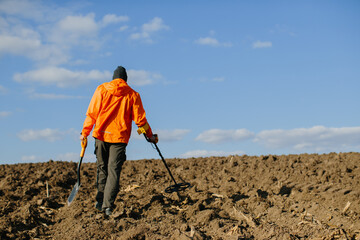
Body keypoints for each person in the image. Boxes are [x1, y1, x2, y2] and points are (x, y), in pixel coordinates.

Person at [80, 66, 158, 216]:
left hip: (101, 136)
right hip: (119, 139)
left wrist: (85, 133)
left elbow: (92, 114)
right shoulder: (133, 94)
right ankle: (107, 206)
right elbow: (141, 121)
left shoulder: (101, 89)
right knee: (113, 171)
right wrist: (150, 136)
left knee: (101, 168)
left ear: (113, 78)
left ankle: (99, 201)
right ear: (125, 80)